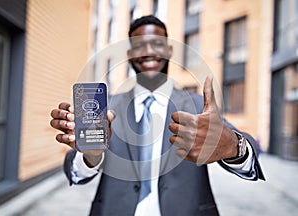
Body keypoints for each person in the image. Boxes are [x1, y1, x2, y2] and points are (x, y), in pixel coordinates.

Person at [50, 15, 265, 216]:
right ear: (129, 54)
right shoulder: (107, 108)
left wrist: (232, 146)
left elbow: (250, 151)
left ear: (170, 50)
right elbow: (74, 171)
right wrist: (91, 156)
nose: (148, 51)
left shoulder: (198, 105)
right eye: (139, 45)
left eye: (157, 43)